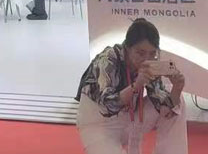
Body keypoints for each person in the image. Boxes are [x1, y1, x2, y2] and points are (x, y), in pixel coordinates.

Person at [76, 18, 186, 153]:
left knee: (178, 101)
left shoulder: (151, 64)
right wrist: (137, 85)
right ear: (127, 48)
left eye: (152, 53)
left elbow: (163, 110)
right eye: (140, 53)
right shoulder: (107, 59)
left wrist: (177, 89)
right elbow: (108, 106)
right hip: (100, 123)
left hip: (130, 117)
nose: (147, 59)